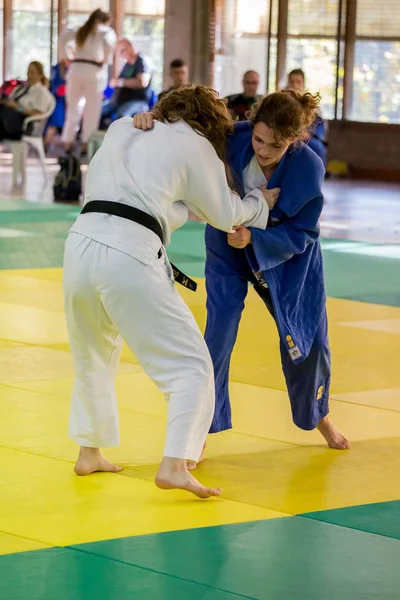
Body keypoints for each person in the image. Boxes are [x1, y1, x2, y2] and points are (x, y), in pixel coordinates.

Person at [62, 85, 272, 499]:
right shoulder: (197, 147)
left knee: (93, 355)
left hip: (79, 244)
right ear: (212, 124)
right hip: (130, 253)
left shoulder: (125, 126)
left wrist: (177, 208)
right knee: (192, 366)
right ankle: (175, 463)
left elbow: (150, 192)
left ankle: (89, 452)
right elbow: (226, 214)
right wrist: (258, 202)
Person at [133, 90, 349, 467]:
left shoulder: (308, 166)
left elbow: (305, 233)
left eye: (276, 145)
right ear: (251, 124)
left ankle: (318, 414)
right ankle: (199, 431)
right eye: (259, 139)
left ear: (295, 139)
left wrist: (257, 237)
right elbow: (184, 123)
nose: (263, 150)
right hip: (226, 249)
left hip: (288, 258)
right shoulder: (231, 135)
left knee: (309, 339)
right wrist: (149, 120)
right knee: (217, 336)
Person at [59, 9, 116, 155]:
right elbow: (110, 45)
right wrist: (106, 59)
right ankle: (86, 143)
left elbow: (62, 39)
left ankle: (68, 142)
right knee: (92, 110)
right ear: (105, 21)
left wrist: (66, 56)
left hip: (76, 69)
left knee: (73, 108)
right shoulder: (105, 31)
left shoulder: (79, 29)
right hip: (94, 72)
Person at [101, 38, 152, 123]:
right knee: (98, 112)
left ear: (130, 47)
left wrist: (121, 82)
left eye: (122, 51)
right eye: (119, 53)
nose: (121, 55)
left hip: (137, 101)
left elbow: (143, 82)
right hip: (119, 101)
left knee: (122, 117)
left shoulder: (142, 61)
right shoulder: (127, 65)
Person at [0, 61, 53, 141]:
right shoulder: (21, 88)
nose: (29, 75)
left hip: (21, 124)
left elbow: (39, 113)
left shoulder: (42, 92)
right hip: (6, 117)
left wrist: (17, 108)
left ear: (40, 75)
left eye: (32, 72)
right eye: (28, 72)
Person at [288, 69, 328, 166]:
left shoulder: (311, 104)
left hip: (308, 138)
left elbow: (320, 125)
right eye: (292, 81)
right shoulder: (282, 102)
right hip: (287, 137)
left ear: (303, 83)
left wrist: (308, 134)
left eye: (298, 81)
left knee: (318, 148)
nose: (295, 85)